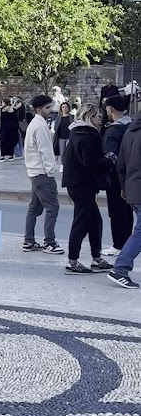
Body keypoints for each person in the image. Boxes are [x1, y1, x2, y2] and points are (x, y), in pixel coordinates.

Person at [62, 104, 112, 274]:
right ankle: (72, 261)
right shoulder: (86, 135)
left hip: (79, 184)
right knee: (82, 222)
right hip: (81, 184)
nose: (100, 118)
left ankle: (96, 258)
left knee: (94, 220)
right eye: (97, 115)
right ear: (89, 117)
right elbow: (91, 162)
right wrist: (108, 160)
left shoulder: (79, 132)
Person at [23, 94, 64, 254]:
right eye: (48, 108)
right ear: (39, 109)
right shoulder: (40, 126)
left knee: (34, 208)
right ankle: (49, 242)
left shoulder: (35, 123)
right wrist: (51, 171)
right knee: (52, 207)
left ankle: (29, 240)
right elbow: (45, 151)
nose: (51, 110)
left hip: (35, 171)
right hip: (42, 172)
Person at [108, 108, 141, 288]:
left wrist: (123, 186)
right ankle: (120, 268)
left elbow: (121, 163)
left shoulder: (129, 131)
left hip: (131, 186)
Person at [102, 94, 133, 256]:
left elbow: (110, 156)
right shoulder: (132, 126)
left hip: (116, 178)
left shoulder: (113, 131)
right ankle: (128, 243)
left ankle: (118, 244)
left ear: (110, 109)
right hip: (133, 175)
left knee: (116, 211)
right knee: (127, 211)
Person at [0, 98, 20, 162]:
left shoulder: (2, 110)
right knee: (11, 142)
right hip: (12, 128)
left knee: (3, 142)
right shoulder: (13, 110)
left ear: (4, 103)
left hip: (4, 128)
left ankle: (2, 156)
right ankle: (11, 155)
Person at [53, 102, 72, 167]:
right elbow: (56, 127)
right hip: (61, 137)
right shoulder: (59, 118)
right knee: (62, 152)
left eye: (66, 107)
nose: (64, 108)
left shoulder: (71, 117)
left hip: (69, 137)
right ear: (61, 108)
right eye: (63, 107)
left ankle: (68, 165)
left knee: (69, 152)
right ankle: (62, 165)